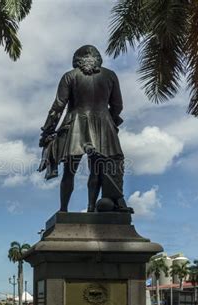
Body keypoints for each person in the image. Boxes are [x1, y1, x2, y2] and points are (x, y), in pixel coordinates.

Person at [39, 45, 131, 213]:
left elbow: (58, 106)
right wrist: (111, 121)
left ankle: (63, 210)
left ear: (77, 60)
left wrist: (47, 131)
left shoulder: (70, 76)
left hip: (75, 125)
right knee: (96, 170)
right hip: (103, 126)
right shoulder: (110, 76)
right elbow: (118, 106)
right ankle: (90, 208)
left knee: (69, 171)